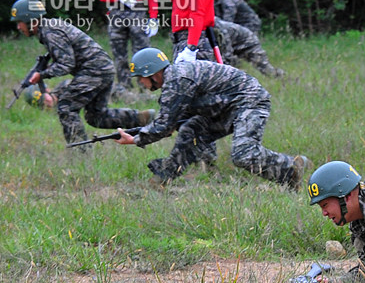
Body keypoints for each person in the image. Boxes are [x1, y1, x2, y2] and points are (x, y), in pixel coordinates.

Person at [114, 47, 310, 188]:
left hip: (248, 101)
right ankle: (163, 177)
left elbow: (164, 125)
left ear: (153, 73)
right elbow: (175, 118)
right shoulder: (175, 78)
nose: (140, 82)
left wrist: (136, 139)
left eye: (140, 77)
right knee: (190, 131)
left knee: (243, 154)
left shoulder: (177, 81)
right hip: (225, 107)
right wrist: (166, 127)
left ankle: (292, 167)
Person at [9, 0, 154, 147]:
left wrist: (42, 74)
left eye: (19, 22)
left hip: (94, 70)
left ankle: (80, 151)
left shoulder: (50, 32)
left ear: (30, 20)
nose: (19, 27)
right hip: (102, 69)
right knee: (96, 116)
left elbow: (66, 63)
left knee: (66, 106)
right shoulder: (49, 28)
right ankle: (142, 118)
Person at [97, 0, 159, 94]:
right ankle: (124, 88)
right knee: (119, 54)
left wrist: (153, 16)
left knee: (142, 51)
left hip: (137, 11)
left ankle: (146, 86)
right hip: (116, 12)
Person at [214, 19, 283, 77]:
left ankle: (282, 78)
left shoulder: (218, 27)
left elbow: (226, 54)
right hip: (234, 43)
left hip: (249, 43)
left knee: (267, 70)